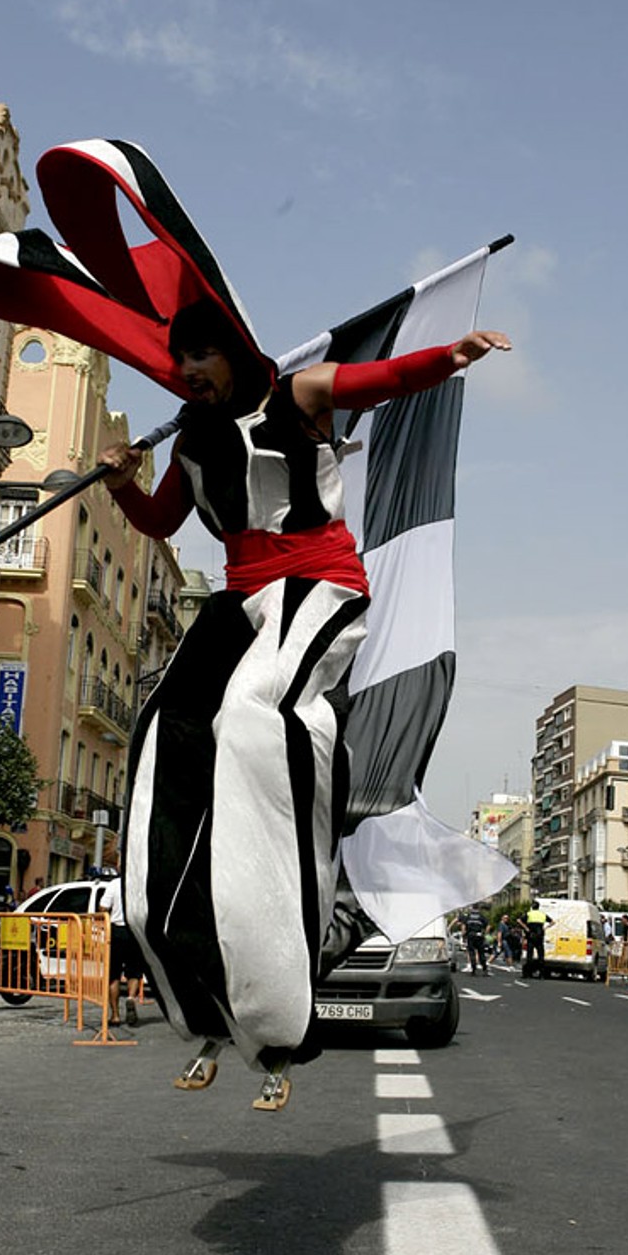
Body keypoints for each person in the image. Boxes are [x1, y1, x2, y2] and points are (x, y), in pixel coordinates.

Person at [99, 298, 510, 1106]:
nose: (188, 375)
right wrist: (120, 484)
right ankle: (205, 975)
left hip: (320, 585)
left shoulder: (299, 395)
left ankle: (305, 932)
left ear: (234, 356)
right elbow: (159, 521)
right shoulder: (190, 441)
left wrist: (449, 358)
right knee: (163, 737)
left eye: (201, 360)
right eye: (179, 366)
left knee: (253, 710)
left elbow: (382, 378)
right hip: (241, 602)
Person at [100, 872, 144, 1028]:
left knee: (114, 974)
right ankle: (131, 998)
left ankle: (115, 1015)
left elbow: (103, 907)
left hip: (117, 932)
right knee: (134, 972)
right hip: (135, 931)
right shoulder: (139, 884)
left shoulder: (114, 884)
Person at [522, 900, 551, 978]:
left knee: (529, 956)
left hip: (531, 936)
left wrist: (526, 928)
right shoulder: (542, 914)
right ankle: (542, 975)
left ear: (532, 907)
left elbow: (519, 920)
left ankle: (528, 974)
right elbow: (552, 922)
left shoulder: (529, 914)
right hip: (539, 936)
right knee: (541, 956)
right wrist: (545, 928)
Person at [458, 905, 489, 975]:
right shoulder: (481, 916)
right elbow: (488, 925)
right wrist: (484, 934)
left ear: (472, 908)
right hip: (479, 935)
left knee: (471, 952)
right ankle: (484, 969)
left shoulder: (468, 916)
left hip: (470, 935)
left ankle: (473, 969)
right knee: (481, 953)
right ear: (478, 908)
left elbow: (463, 926)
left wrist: (463, 935)